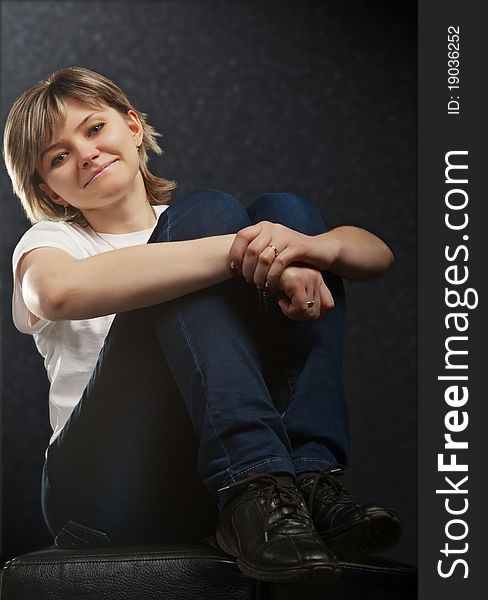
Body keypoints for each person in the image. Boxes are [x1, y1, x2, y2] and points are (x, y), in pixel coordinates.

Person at [3, 66, 400, 584]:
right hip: (103, 490)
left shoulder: (214, 229)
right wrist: (248, 252)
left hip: (214, 492)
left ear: (133, 127)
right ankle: (255, 472)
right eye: (58, 157)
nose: (85, 154)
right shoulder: (53, 242)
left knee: (288, 210)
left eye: (94, 129)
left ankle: (307, 477)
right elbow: (54, 292)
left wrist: (304, 248)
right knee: (209, 213)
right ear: (50, 191)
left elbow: (376, 255)